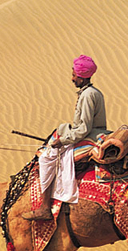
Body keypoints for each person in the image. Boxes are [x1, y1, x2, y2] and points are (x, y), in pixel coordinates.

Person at [23, 55, 107, 222]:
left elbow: (83, 129)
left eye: (74, 75)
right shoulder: (92, 92)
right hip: (89, 133)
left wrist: (62, 141)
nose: (72, 78)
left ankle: (45, 208)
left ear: (82, 77)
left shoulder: (88, 95)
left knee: (47, 158)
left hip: (90, 137)